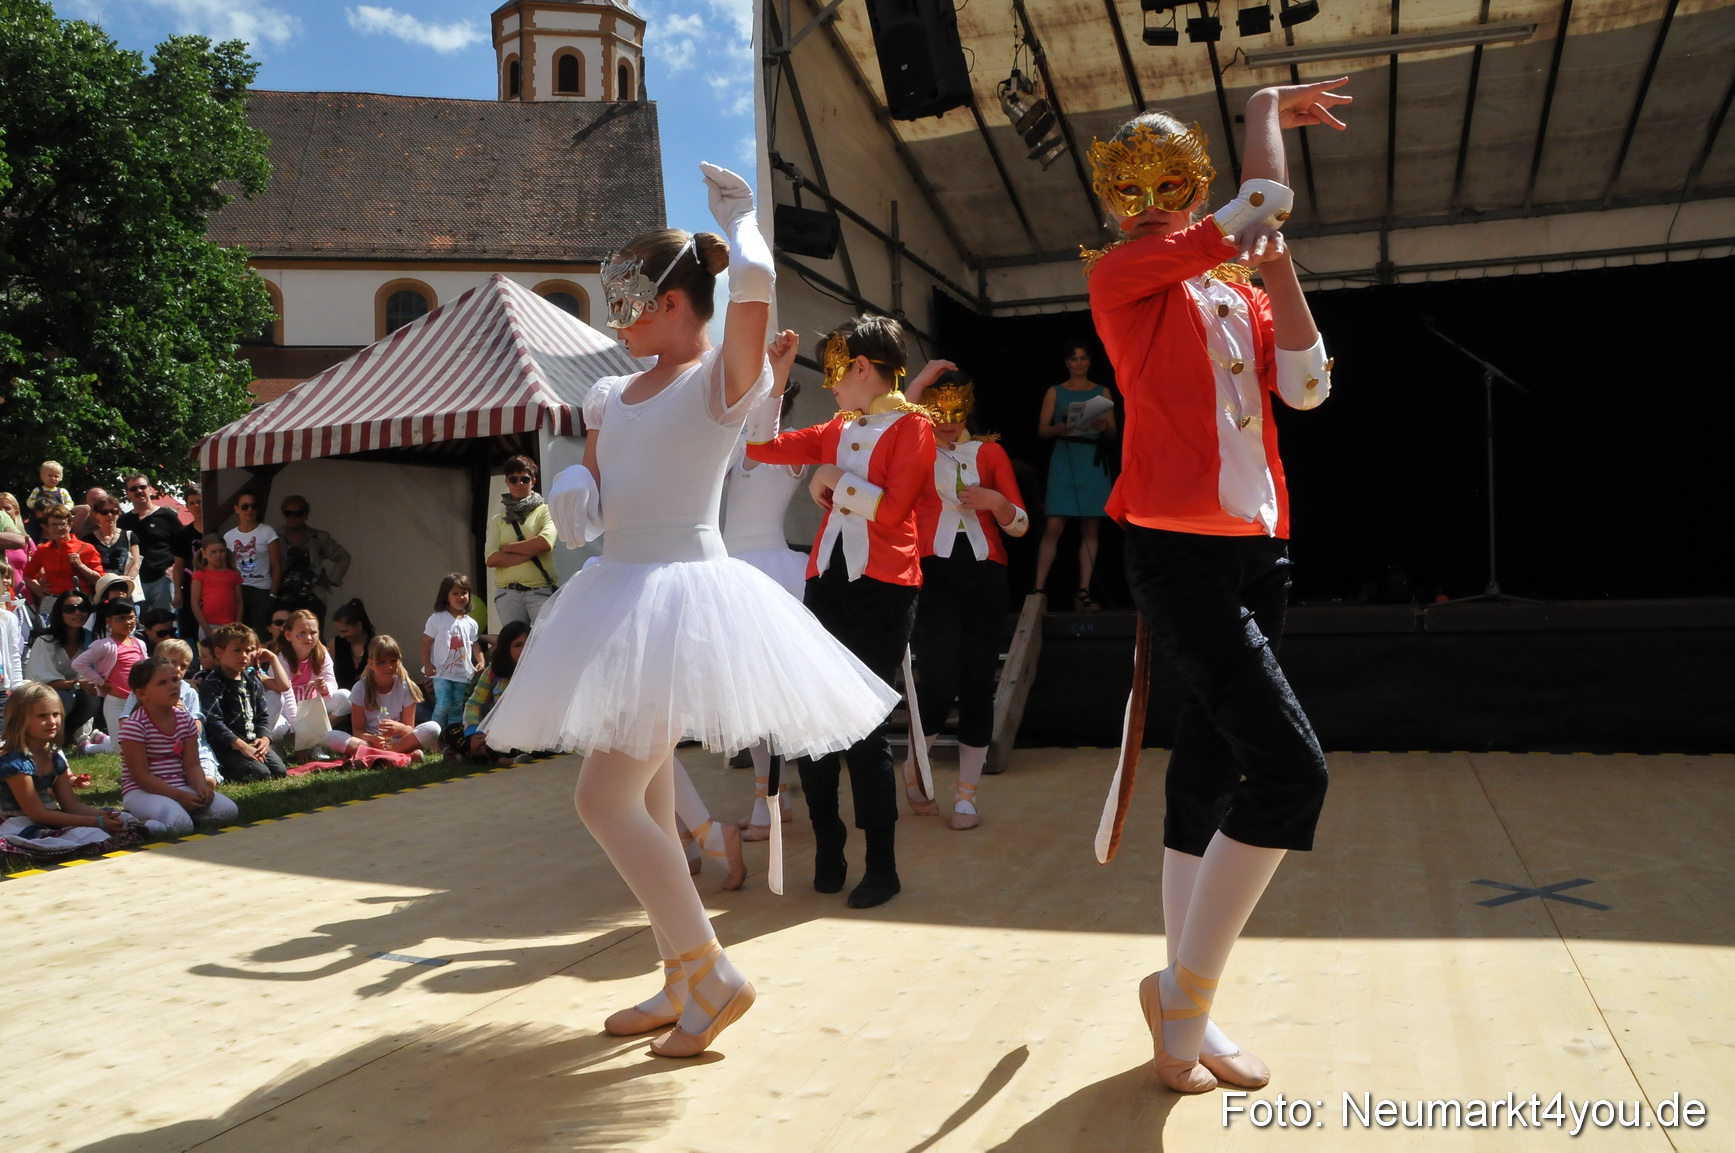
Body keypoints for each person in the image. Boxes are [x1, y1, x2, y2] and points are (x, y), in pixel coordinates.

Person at [481, 164, 899, 1057]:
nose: (617, 319)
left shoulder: (720, 378)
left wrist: (741, 223)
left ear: (676, 303)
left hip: (680, 594)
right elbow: (597, 475)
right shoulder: (609, 393)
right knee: (634, 789)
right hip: (621, 589)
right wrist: (577, 485)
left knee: (605, 797)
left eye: (630, 303)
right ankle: (682, 974)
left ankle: (709, 969)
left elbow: (751, 288)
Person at [1083, 80, 1350, 1094]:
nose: (1147, 197)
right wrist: (1263, 110)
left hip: (1257, 552)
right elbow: (1262, 203)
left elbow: (1309, 386)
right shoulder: (1124, 278)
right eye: (1128, 186)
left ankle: (1183, 1003)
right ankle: (1185, 995)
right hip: (1177, 553)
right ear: (1113, 206)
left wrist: (1277, 279)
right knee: (1289, 773)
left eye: (1166, 182)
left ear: (1189, 191)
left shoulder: (1231, 289)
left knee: (1205, 772)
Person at [746, 315, 956, 908]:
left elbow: (892, 515)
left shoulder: (914, 428)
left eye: (835, 372)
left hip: (885, 588)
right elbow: (760, 446)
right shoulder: (840, 425)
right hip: (827, 582)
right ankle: (830, 846)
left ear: (862, 367)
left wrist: (833, 480)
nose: (831, 385)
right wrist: (775, 380)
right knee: (813, 721)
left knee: (862, 727)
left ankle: (882, 863)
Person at [901, 369, 1030, 830]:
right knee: (936, 676)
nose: (948, 421)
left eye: (956, 411)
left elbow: (1020, 524)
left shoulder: (990, 452)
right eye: (938, 410)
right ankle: (918, 761)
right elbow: (889, 418)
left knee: (978, 680)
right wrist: (923, 376)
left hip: (985, 572)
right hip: (931, 571)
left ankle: (967, 795)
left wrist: (995, 501)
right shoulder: (912, 447)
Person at [723, 330, 807, 840]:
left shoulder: (786, 449)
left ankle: (771, 802)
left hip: (764, 575)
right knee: (748, 697)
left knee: (768, 696)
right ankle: (769, 798)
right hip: (733, 570)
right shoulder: (738, 449)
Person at [1, 683, 136, 857]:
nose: (52, 721)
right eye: (42, 716)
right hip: (17, 822)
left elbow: (71, 805)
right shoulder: (16, 762)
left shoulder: (54, 759)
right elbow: (37, 814)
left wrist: (105, 815)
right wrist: (96, 822)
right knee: (89, 836)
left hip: (48, 817)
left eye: (56, 714)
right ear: (20, 720)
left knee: (123, 821)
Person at [1033, 342, 1118, 611]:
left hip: (1091, 462)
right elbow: (1042, 431)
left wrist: (1103, 426)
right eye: (1073, 359)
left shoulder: (1102, 391)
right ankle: (1038, 590)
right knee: (1054, 526)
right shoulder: (1055, 391)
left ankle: (1083, 590)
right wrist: (1060, 426)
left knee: (1091, 529)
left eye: (1083, 358)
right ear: (1066, 363)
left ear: (1090, 361)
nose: (1079, 363)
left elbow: (1113, 434)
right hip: (1064, 459)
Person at [120, 656, 239, 833]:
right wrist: (180, 796)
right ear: (142, 694)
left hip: (179, 786)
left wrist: (200, 787)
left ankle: (175, 818)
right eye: (162, 682)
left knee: (229, 811)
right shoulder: (134, 726)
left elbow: (192, 764)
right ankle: (134, 823)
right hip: (142, 792)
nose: (173, 686)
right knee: (180, 825)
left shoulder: (185, 720)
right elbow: (142, 777)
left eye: (175, 680)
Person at [323, 635, 440, 761]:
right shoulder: (360, 688)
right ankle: (395, 755)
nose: (388, 667)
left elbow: (409, 728)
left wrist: (399, 729)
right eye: (381, 662)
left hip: (398, 742)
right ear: (371, 664)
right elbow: (357, 731)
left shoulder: (406, 687)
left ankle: (378, 755)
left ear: (399, 661)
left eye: (393, 661)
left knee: (433, 728)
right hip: (370, 742)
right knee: (331, 736)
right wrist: (372, 739)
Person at [197, 623, 288, 782]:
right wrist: (240, 745)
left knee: (279, 771)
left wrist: (265, 738)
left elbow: (262, 715)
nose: (244, 655)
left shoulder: (252, 679)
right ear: (219, 652)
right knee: (260, 774)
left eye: (248, 650)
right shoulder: (214, 682)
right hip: (227, 747)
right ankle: (223, 771)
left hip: (251, 741)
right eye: (237, 650)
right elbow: (214, 723)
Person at [485, 457, 559, 626]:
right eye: (513, 479)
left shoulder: (546, 511)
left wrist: (509, 547)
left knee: (545, 641)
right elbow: (491, 559)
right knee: (515, 647)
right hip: (508, 594)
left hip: (540, 592)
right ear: (507, 482)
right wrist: (531, 549)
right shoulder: (499, 519)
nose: (519, 483)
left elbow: (544, 544)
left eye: (524, 479)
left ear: (533, 481)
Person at [23, 595, 102, 751]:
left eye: (83, 608)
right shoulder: (45, 641)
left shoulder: (93, 643)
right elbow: (40, 681)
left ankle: (67, 735)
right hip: (46, 697)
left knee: (92, 697)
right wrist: (77, 685)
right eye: (70, 609)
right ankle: (48, 737)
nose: (77, 613)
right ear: (60, 613)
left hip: (79, 694)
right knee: (65, 698)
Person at [271, 609, 351, 751]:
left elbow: (332, 682)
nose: (308, 638)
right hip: (286, 710)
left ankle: (320, 733)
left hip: (311, 705)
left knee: (345, 697)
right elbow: (287, 697)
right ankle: (292, 742)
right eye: (301, 634)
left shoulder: (322, 653)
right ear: (289, 635)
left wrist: (324, 688)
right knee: (277, 729)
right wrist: (300, 730)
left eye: (313, 633)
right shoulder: (282, 659)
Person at [71, 601, 147, 740]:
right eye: (121, 618)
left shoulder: (139, 643)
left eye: (131, 617)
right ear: (109, 621)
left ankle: (100, 737)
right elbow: (79, 663)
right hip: (116, 702)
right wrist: (100, 682)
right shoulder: (105, 645)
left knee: (138, 740)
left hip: (137, 701)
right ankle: (87, 747)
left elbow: (146, 667)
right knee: (120, 745)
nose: (128, 622)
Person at [461, 618, 530, 764]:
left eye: (528, 644)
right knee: (453, 731)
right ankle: (496, 757)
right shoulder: (494, 671)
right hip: (491, 733)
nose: (524, 649)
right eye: (518, 645)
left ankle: (477, 756)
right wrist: (474, 733)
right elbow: (475, 704)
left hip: (526, 733)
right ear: (506, 648)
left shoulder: (544, 670)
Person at [274, 496, 350, 624]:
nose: (293, 517)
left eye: (298, 513)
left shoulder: (318, 537)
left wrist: (331, 580)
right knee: (283, 638)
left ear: (306, 515)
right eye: (288, 513)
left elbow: (343, 557)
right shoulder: (273, 536)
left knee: (313, 638)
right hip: (282, 597)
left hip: (312, 598)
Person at [421, 574, 482, 732]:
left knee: (456, 707)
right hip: (441, 672)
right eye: (455, 593)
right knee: (443, 704)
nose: (460, 597)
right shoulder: (437, 619)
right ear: (446, 596)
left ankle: (452, 738)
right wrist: (427, 664)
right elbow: (427, 642)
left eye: (464, 592)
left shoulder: (471, 623)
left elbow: (475, 644)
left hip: (461, 673)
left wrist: (480, 660)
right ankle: (433, 737)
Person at [23, 506, 103, 620]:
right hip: (51, 602)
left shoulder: (86, 548)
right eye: (54, 525)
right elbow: (27, 575)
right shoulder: (43, 550)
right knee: (49, 635)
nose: (59, 528)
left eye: (63, 524)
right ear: (46, 527)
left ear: (70, 525)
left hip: (78, 603)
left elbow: (98, 579)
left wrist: (81, 566)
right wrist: (40, 591)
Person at [114, 474, 180, 612]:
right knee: (136, 625)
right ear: (128, 494)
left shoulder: (167, 516)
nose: (139, 491)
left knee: (164, 624)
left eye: (142, 486)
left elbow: (183, 544)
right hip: (135, 582)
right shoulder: (123, 522)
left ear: (149, 489)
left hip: (162, 579)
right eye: (133, 489)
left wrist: (174, 567)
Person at [224, 492, 280, 635]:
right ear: (236, 509)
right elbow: (226, 568)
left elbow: (277, 566)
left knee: (261, 634)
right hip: (238, 589)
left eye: (253, 506)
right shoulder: (229, 536)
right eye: (245, 506)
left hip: (262, 590)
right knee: (240, 633)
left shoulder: (268, 532)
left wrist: (272, 595)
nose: (249, 510)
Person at [78, 495, 140, 604]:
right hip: (99, 592)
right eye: (104, 512)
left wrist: (123, 581)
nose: (109, 515)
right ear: (97, 515)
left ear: (118, 513)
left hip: (125, 591)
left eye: (113, 511)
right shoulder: (88, 540)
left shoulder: (129, 536)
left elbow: (135, 564)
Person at [190, 535, 243, 636]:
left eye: (221, 551)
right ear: (204, 554)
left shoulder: (234, 574)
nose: (218, 555)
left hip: (230, 626)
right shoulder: (200, 574)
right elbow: (194, 604)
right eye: (213, 552)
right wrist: (206, 629)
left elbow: (239, 602)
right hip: (209, 625)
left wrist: (238, 625)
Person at [171, 484, 205, 641]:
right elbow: (178, 567)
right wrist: (177, 591)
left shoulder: (218, 528)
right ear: (187, 506)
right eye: (192, 503)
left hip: (215, 586)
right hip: (191, 587)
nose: (196, 506)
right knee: (189, 631)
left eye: (199, 501)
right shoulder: (183, 535)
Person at [329, 598, 376, 692]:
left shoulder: (375, 644)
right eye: (340, 632)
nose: (342, 636)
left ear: (359, 625)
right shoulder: (334, 644)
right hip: (341, 702)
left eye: (345, 631)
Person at [25, 460, 73, 540]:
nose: (53, 478)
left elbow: (70, 503)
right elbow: (29, 502)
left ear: (61, 478)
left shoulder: (62, 491)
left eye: (56, 476)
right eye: (50, 475)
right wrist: (39, 505)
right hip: (39, 518)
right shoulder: (37, 490)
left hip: (57, 518)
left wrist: (64, 508)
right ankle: (33, 541)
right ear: (42, 476)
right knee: (32, 528)